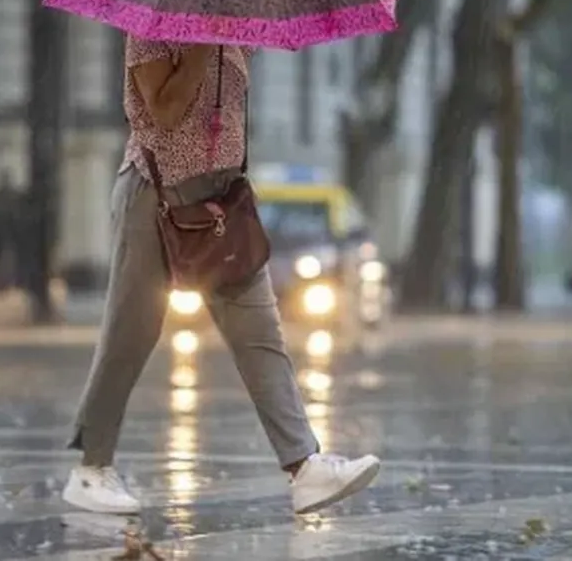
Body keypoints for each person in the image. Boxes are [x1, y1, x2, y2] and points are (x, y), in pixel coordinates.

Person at [63, 35, 380, 515]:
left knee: (261, 334)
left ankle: (305, 467)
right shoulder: (154, 23)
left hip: (219, 203)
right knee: (131, 332)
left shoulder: (234, 26)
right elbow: (164, 112)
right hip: (154, 198)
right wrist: (200, 47)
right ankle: (91, 469)